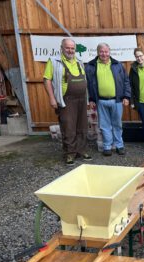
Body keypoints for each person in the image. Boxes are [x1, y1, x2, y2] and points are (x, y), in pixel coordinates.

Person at [43, 38, 92, 166]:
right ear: (62, 48)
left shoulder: (79, 62)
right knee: (68, 127)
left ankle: (81, 150)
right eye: (67, 48)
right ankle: (70, 154)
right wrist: (52, 98)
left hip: (81, 99)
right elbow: (47, 80)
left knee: (82, 126)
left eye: (72, 48)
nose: (70, 50)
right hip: (66, 100)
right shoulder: (54, 62)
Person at [85, 42, 131, 156]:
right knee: (104, 126)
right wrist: (91, 99)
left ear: (109, 52)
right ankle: (107, 146)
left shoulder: (118, 65)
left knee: (117, 124)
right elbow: (89, 84)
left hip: (117, 100)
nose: (104, 54)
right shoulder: (91, 66)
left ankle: (119, 145)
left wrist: (126, 96)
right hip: (101, 101)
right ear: (97, 52)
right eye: (101, 51)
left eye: (106, 51)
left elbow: (126, 81)